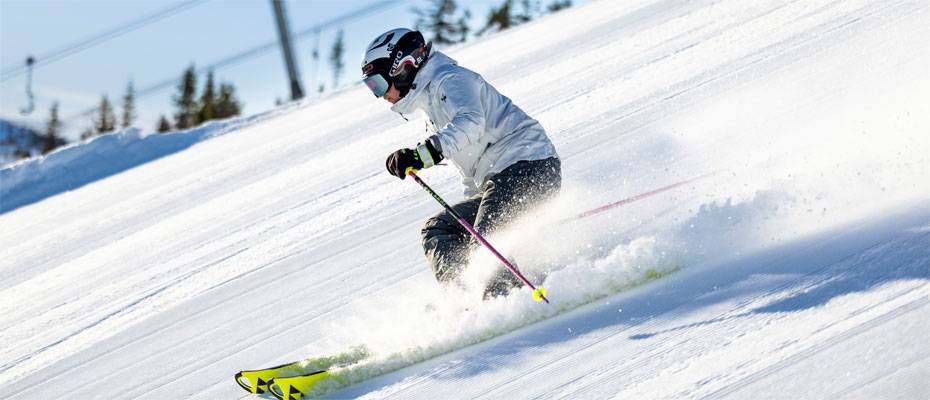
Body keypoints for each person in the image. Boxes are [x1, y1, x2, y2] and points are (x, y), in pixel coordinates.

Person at [361, 28, 561, 299]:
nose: (380, 95)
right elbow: (472, 167)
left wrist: (422, 154)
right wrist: (474, 213)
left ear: (402, 67)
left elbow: (471, 123)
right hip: (500, 180)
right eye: (372, 87)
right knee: (439, 230)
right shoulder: (431, 103)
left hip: (529, 166)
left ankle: (506, 302)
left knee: (486, 237)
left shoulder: (451, 80)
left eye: (378, 83)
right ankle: (464, 300)